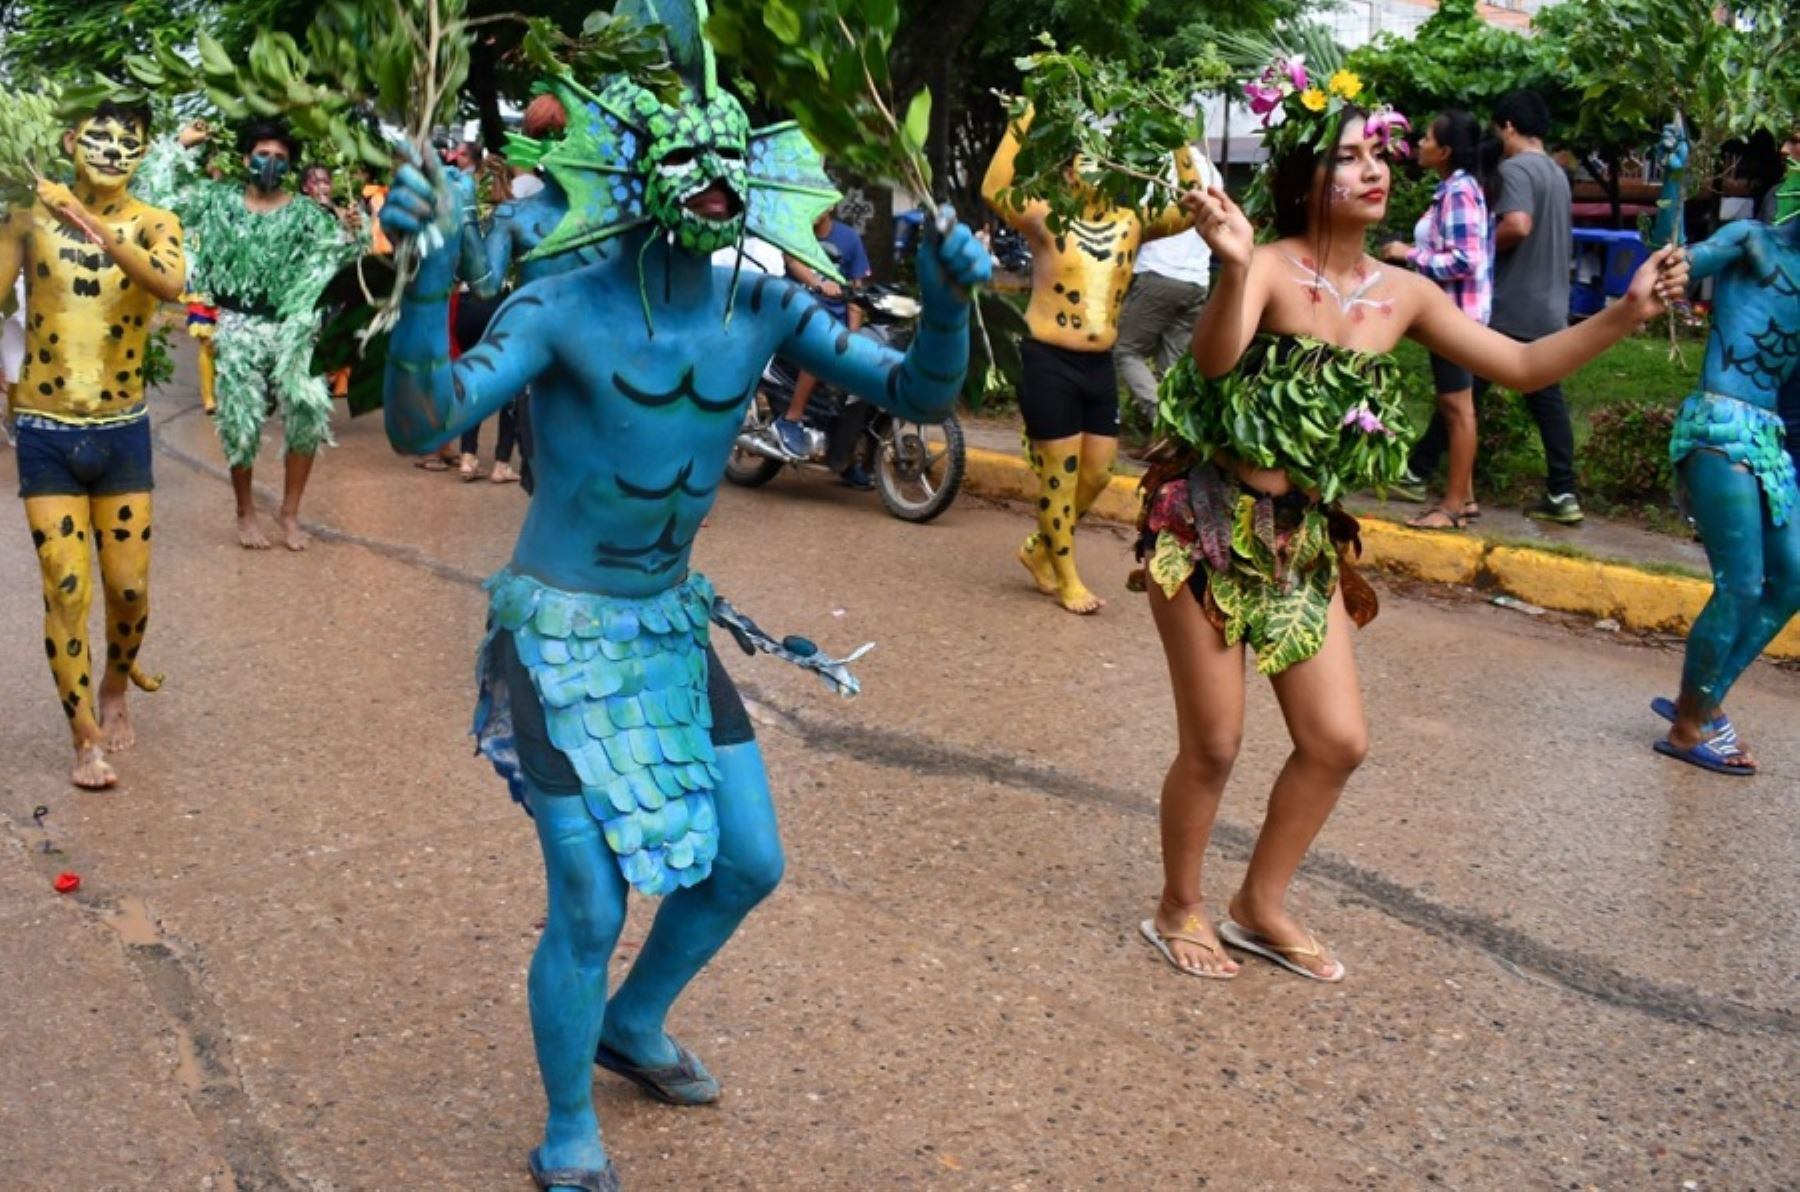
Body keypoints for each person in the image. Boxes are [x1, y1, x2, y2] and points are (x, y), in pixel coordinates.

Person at [377, 3, 991, 1184]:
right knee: (589, 901)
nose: (711, 181)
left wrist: (953, 299)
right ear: (627, 168)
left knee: (749, 862)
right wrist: (426, 280)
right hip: (555, 632)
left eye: (729, 164)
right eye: (685, 160)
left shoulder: (760, 306)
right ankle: (568, 1125)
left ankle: (630, 1022)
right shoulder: (558, 305)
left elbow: (916, 397)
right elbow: (420, 418)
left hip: (667, 625)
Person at [1136, 59, 1684, 982]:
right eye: (1348, 158)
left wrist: (1624, 316)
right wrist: (1232, 268)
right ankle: (1178, 905)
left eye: (1379, 152)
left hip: (1299, 535)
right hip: (1206, 522)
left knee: (1338, 741)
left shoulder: (1405, 293)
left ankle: (1257, 903)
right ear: (1306, 177)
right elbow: (1220, 362)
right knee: (1216, 742)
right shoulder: (1267, 267)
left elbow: (1518, 364)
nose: (1374, 168)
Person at [2, 98, 187, 789]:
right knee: (66, 587)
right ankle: (85, 739)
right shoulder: (26, 222)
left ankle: (116, 684)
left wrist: (86, 224)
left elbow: (170, 284)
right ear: (69, 141)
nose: (111, 151)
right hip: (48, 429)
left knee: (129, 590)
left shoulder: (155, 224)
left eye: (127, 142)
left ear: (142, 153)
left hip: (122, 432)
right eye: (98, 139)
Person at [983, 108, 1198, 614]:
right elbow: (994, 187)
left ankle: (1039, 549)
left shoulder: (1132, 223)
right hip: (1048, 360)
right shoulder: (1045, 219)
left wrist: (1176, 136)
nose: (1093, 172)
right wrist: (1024, 116)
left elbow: (1191, 207)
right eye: (1083, 163)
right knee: (1060, 473)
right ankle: (1066, 574)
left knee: (1098, 475)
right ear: (1067, 173)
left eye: (1104, 164)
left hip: (1098, 366)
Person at [1645, 121, 1799, 777]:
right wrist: (1674, 182)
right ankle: (1689, 724)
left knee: (1790, 580)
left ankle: (1702, 702)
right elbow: (1674, 262)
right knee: (1740, 585)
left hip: (1769, 439)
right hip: (1718, 425)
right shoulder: (1753, 242)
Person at [135, 118, 359, 550]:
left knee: (309, 412)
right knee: (240, 423)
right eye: (263, 155)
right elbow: (157, 199)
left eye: (280, 158)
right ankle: (245, 510)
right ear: (246, 159)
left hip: (292, 327)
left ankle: (290, 512)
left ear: (290, 166)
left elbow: (342, 262)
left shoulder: (307, 213)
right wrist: (180, 146)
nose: (270, 164)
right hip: (237, 323)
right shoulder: (216, 200)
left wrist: (352, 230)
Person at [1402, 90, 1580, 523]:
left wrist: (1480, 246)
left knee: (1462, 400)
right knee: (1513, 396)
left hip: (1510, 302)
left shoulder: (1516, 169)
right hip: (1550, 300)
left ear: (1509, 128)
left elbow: (1517, 225)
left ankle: (1433, 481)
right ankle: (1560, 490)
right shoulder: (1557, 173)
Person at [1381, 110, 1495, 530]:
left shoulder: (1459, 191)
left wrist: (1407, 256)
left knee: (1457, 408)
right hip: (1453, 314)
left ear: (1445, 151)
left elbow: (1466, 259)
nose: (1421, 144)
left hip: (1456, 317)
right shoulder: (1455, 187)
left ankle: (1450, 508)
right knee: (1455, 407)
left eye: (1428, 138)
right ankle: (1464, 499)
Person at [1113, 151, 1224, 436]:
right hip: (1197, 282)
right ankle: (1180, 435)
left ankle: (1164, 426)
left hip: (1159, 274)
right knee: (1171, 366)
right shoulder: (1212, 171)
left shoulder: (1160, 164)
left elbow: (1140, 219)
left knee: (1127, 350)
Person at [772, 208, 873, 485]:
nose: (813, 209)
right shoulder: (797, 233)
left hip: (835, 324)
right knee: (820, 350)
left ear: (830, 206)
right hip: (796, 315)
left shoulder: (849, 239)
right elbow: (792, 262)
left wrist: (853, 336)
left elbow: (856, 290)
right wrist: (818, 283)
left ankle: (847, 455)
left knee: (865, 367)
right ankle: (791, 419)